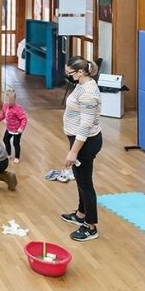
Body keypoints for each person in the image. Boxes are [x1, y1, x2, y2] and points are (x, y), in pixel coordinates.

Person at [60, 56, 102, 242]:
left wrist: (73, 151)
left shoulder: (88, 93)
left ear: (80, 72)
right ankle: (80, 214)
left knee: (85, 183)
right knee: (80, 179)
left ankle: (90, 226)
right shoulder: (82, 84)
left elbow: (85, 126)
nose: (68, 76)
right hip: (79, 140)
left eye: (70, 73)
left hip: (85, 143)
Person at [0, 88, 28, 164]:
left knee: (15, 143)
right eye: (6, 100)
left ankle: (17, 157)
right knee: (5, 139)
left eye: (10, 101)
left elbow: (24, 119)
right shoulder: (5, 106)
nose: (8, 102)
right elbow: (3, 114)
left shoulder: (17, 109)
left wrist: (21, 128)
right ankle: (8, 153)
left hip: (17, 130)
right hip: (9, 128)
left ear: (14, 100)